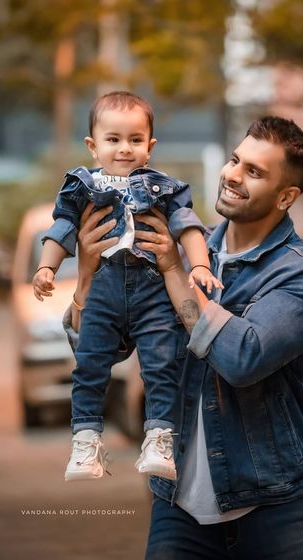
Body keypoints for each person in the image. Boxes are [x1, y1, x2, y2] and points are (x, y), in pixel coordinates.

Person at [66, 115, 303, 559]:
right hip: (179, 508)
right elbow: (104, 348)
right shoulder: (180, 246)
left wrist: (175, 271)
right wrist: (86, 279)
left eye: (254, 172)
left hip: (276, 501)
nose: (233, 175)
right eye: (236, 160)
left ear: (286, 196)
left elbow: (241, 358)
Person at [32, 91, 222, 483]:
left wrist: (199, 264)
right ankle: (85, 440)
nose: (124, 149)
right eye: (113, 139)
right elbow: (63, 227)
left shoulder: (165, 187)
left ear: (150, 147)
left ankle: (159, 437)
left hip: (153, 288)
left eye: (135, 140)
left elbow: (188, 225)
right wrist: (46, 267)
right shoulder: (81, 187)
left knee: (160, 364)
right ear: (93, 146)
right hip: (103, 283)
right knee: (89, 364)